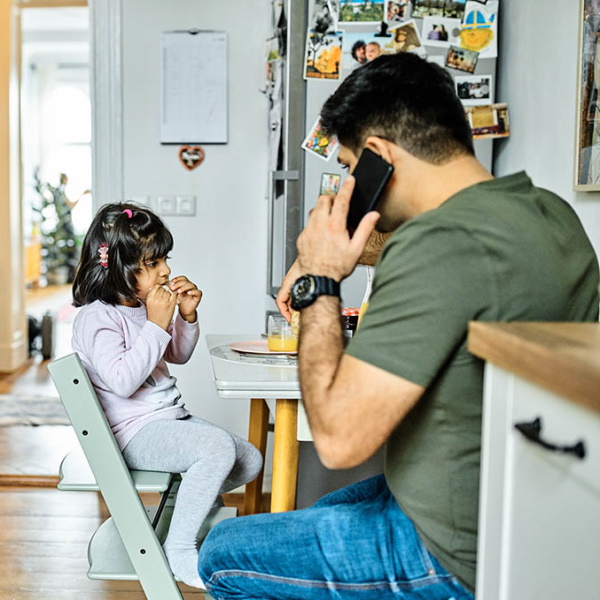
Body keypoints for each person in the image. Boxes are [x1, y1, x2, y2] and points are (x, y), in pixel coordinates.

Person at [197, 53, 600, 599]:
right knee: (326, 509)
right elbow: (458, 258)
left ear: (378, 158)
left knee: (224, 553)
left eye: (345, 168)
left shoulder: (435, 245)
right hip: (521, 515)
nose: (343, 184)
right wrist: (339, 252)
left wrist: (320, 277)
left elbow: (339, 441)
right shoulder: (546, 212)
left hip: (451, 552)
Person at [70, 203, 263, 589]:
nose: (166, 271)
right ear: (119, 268)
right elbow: (123, 380)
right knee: (216, 451)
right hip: (133, 433)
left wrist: (185, 318)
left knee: (249, 460)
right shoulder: (97, 318)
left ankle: (183, 508)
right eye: (153, 262)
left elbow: (175, 353)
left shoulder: (141, 306)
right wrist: (157, 324)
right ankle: (179, 550)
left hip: (168, 421)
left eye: (164, 259)